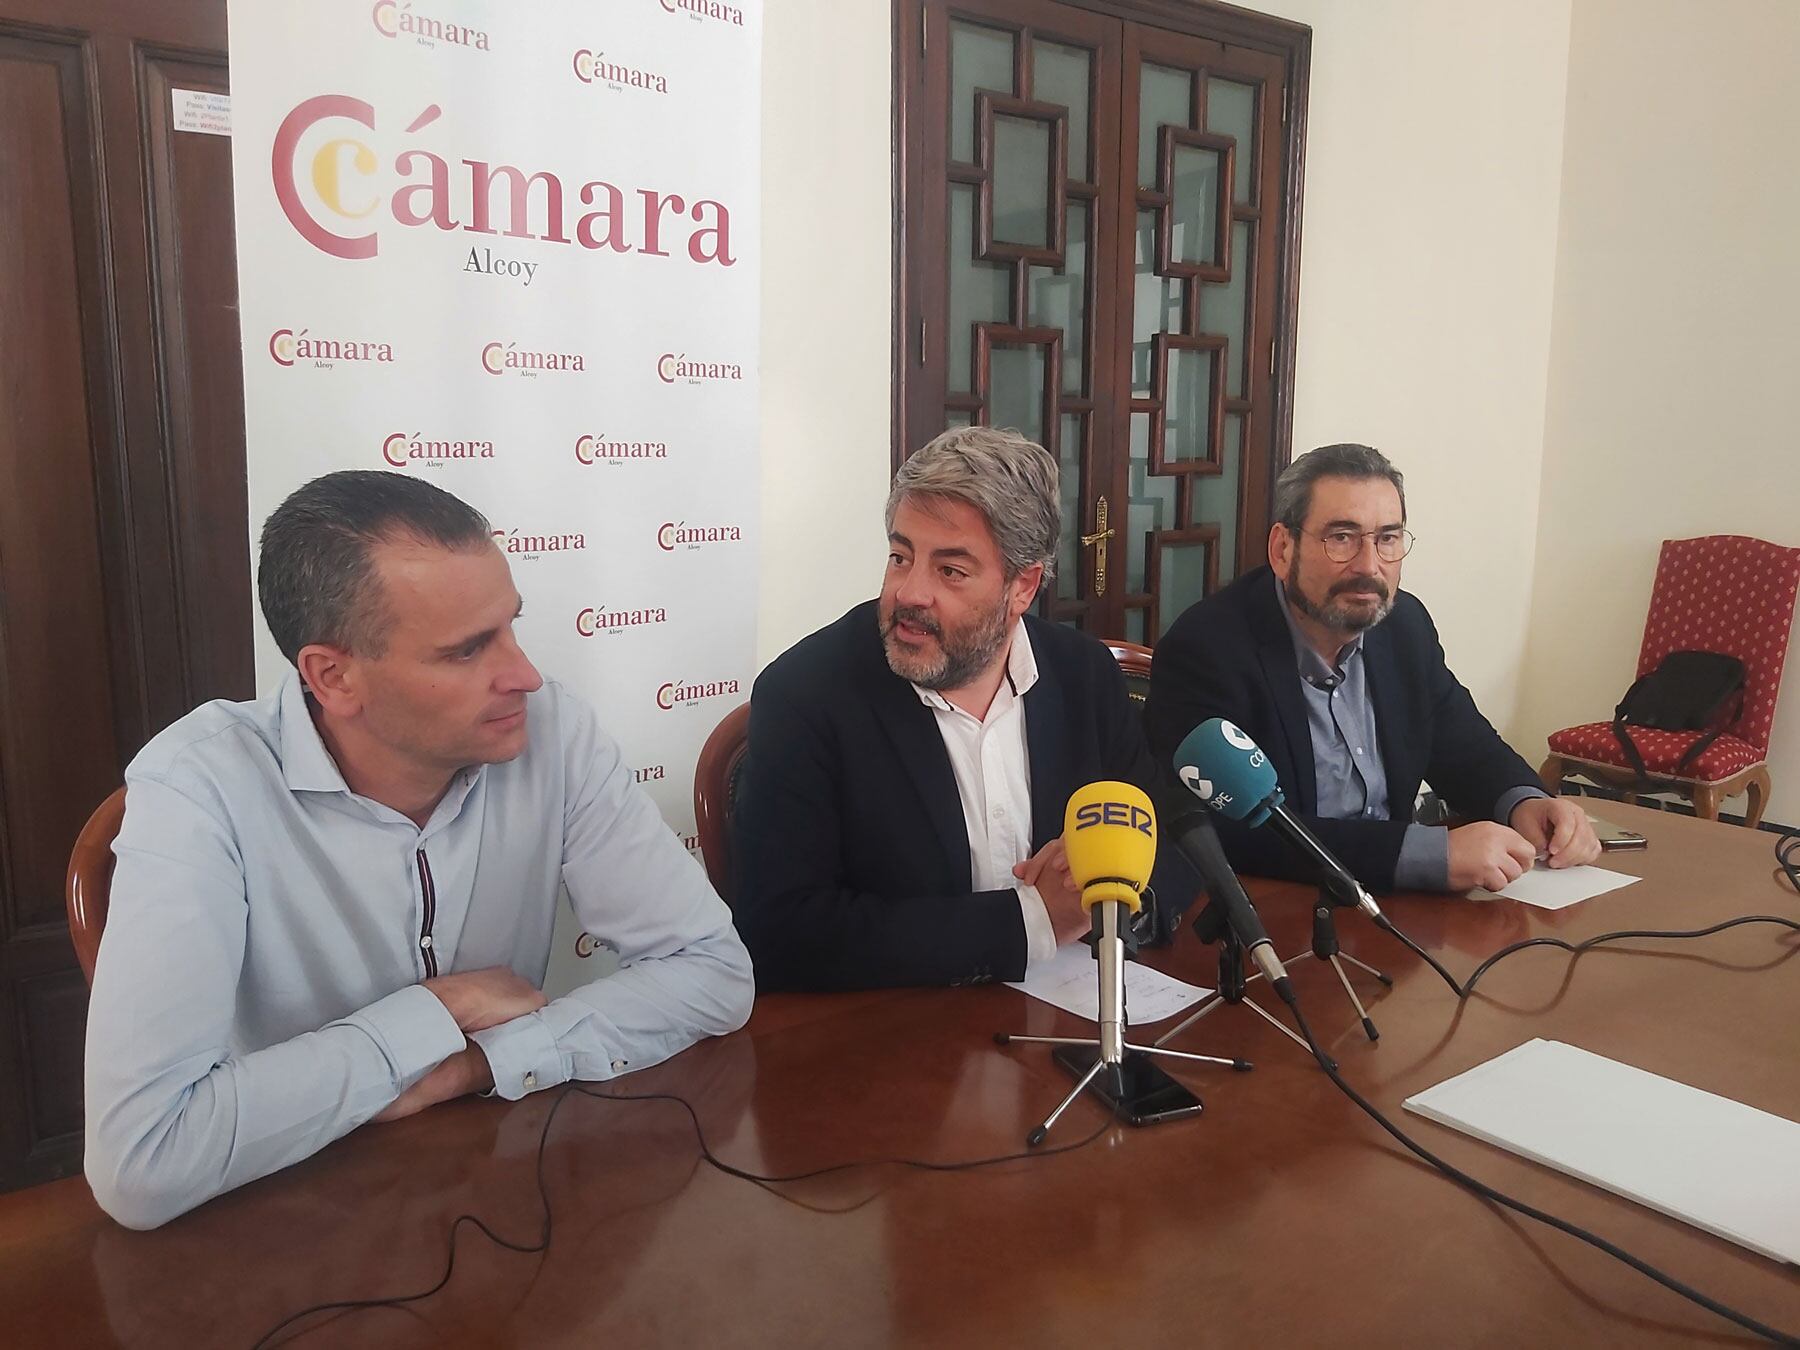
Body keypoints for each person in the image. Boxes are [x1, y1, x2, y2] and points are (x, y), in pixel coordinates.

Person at [83, 471, 753, 1229]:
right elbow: (144, 1159)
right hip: (291, 1208)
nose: (525, 675)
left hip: (506, 1182)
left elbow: (713, 971)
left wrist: (480, 1061)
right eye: (466, 651)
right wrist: (434, 1012)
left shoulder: (552, 732)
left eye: (511, 626)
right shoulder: (201, 786)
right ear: (333, 676)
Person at [734, 427, 1184, 992]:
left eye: (950, 570)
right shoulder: (806, 694)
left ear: (1023, 587)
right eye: (901, 557)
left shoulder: (1083, 674)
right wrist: (1035, 919)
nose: (909, 593)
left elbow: (1172, 840)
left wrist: (1112, 898)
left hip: (1073, 1008)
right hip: (897, 1029)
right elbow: (779, 930)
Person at [1146, 443, 1599, 895]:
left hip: (1402, 906)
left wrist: (1525, 801)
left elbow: (1466, 747)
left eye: (1387, 539)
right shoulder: (1208, 648)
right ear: (1283, 549)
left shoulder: (1404, 626)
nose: (1369, 566)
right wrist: (1427, 854)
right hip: (1282, 904)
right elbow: (1227, 832)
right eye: (1341, 538)